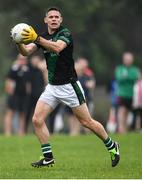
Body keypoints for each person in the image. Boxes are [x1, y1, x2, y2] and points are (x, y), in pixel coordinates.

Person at [12, 7, 120, 167]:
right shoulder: (42, 36)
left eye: (57, 17)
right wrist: (19, 42)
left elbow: (56, 47)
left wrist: (37, 39)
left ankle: (112, 146)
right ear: (45, 20)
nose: (54, 19)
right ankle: (48, 157)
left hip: (69, 86)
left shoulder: (65, 33)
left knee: (86, 121)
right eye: (51, 17)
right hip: (52, 87)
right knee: (37, 119)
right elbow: (26, 53)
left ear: (61, 20)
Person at [4, 54, 30, 136]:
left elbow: (28, 83)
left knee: (22, 114)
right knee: (10, 113)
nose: (22, 61)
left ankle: (21, 132)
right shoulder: (14, 68)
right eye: (21, 59)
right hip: (14, 94)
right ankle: (8, 132)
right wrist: (9, 91)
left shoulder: (27, 70)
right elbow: (8, 80)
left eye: (24, 59)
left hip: (23, 95)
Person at [115, 52, 140, 133]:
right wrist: (130, 78)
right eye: (126, 59)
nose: (128, 61)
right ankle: (121, 128)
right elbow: (119, 78)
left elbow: (137, 78)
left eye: (129, 59)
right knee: (122, 111)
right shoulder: (119, 68)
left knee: (130, 112)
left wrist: (126, 77)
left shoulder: (135, 69)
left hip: (133, 94)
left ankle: (129, 128)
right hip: (122, 94)